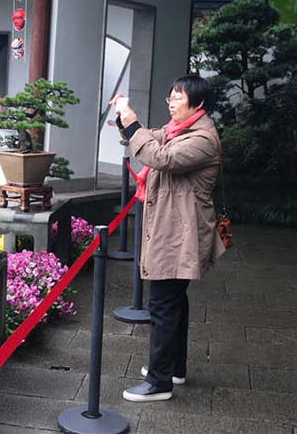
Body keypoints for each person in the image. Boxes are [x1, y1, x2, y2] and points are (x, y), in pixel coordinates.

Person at [110, 74, 225, 402]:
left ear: (197, 104)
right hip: (177, 231)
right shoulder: (179, 130)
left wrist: (133, 125)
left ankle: (159, 382)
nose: (171, 102)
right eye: (170, 97)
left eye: (178, 97)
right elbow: (150, 139)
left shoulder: (202, 139)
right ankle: (174, 367)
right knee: (174, 301)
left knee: (162, 304)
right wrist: (126, 118)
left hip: (182, 236)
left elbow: (160, 158)